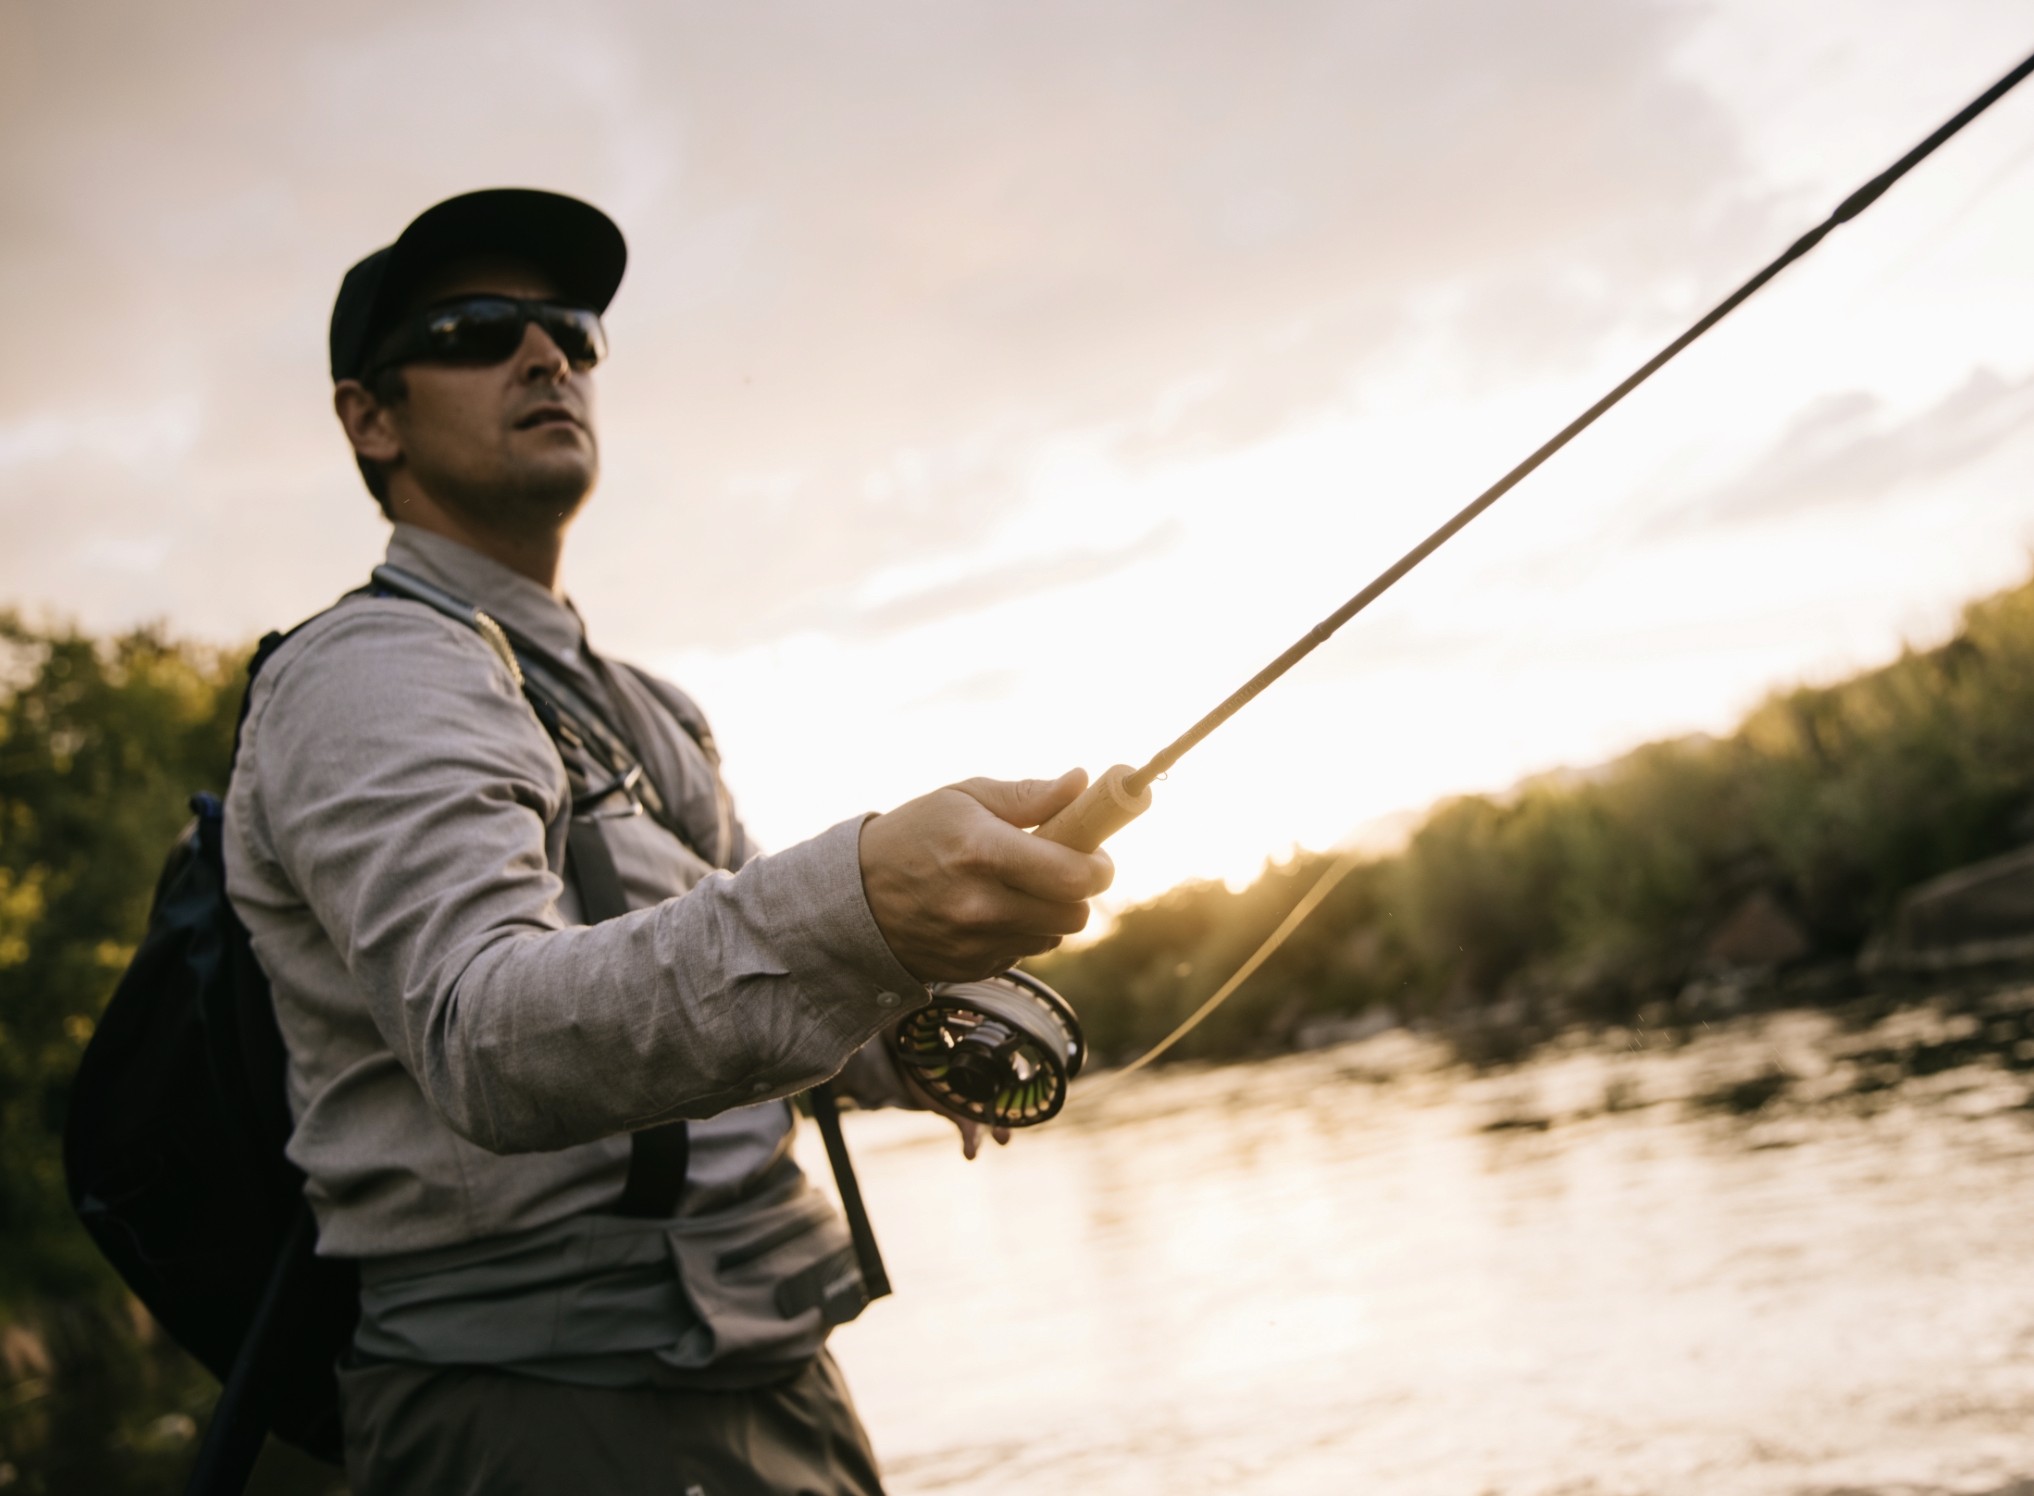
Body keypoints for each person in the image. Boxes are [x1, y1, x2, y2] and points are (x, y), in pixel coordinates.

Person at [222, 187, 1113, 1496]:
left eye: (571, 332)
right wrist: (859, 904)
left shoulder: (647, 707)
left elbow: (757, 994)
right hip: (531, 1404)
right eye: (473, 330)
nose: (545, 357)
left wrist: (925, 1006)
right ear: (371, 417)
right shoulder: (365, 677)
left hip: (775, 1362)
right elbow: (482, 1035)